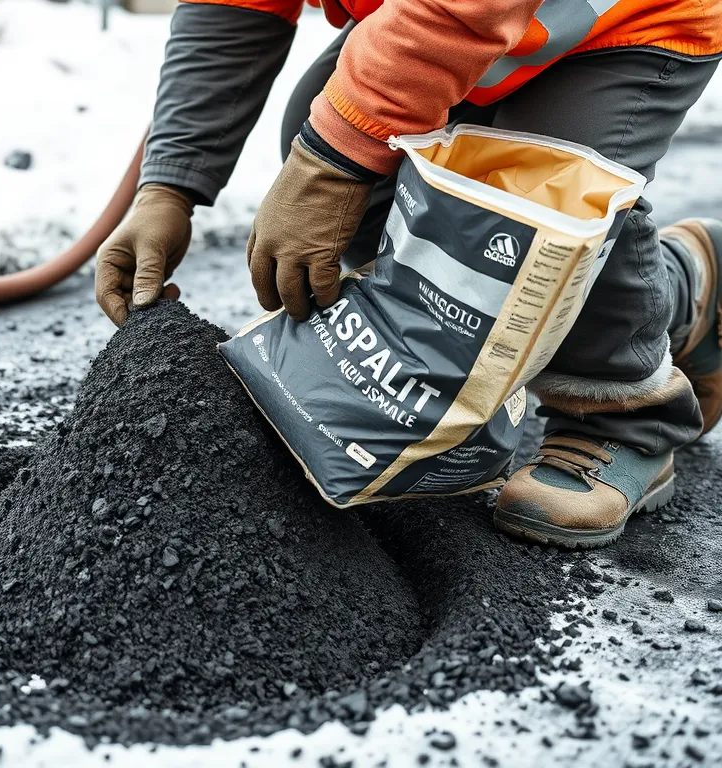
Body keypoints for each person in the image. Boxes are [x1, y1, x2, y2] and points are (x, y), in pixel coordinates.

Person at [94, 0, 722, 548]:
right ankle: (687, 283)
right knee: (346, 147)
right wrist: (168, 188)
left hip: (617, 22)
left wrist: (331, 164)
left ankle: (626, 417)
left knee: (541, 195)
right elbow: (236, 8)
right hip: (445, 14)